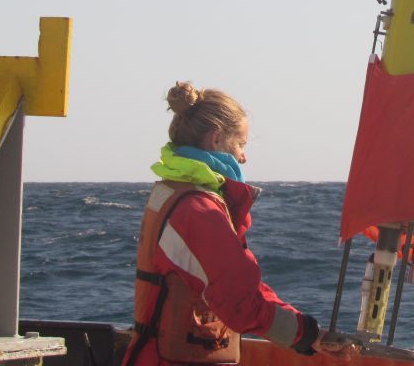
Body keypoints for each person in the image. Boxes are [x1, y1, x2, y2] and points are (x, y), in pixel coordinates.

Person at [122, 81, 352, 366]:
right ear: (216, 140)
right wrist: (307, 334)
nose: (244, 156)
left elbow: (238, 286)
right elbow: (241, 304)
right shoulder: (199, 210)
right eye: (241, 144)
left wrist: (308, 335)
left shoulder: (172, 192)